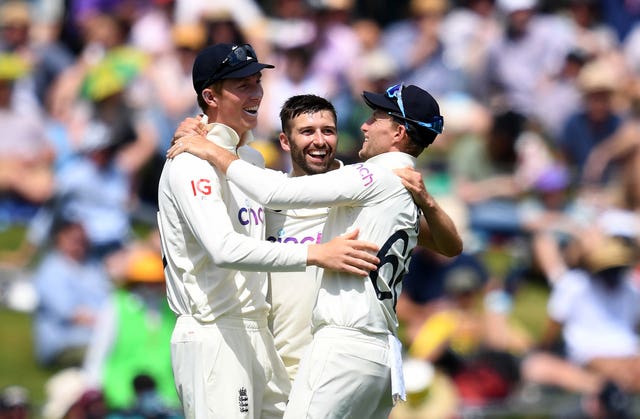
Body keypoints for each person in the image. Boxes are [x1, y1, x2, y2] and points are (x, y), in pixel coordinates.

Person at [168, 82, 463, 418]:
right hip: (294, 362)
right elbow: (233, 204)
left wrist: (207, 148)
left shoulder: (360, 183)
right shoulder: (374, 189)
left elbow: (449, 245)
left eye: (329, 131)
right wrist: (196, 137)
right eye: (307, 131)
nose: (364, 126)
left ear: (397, 132)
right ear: (284, 141)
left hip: (335, 353)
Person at [156, 42, 380, 419]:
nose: (256, 93)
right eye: (242, 85)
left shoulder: (252, 161)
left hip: (258, 334)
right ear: (209, 96)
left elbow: (304, 190)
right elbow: (224, 250)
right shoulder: (189, 162)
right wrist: (316, 254)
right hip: (214, 333)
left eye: (257, 82)